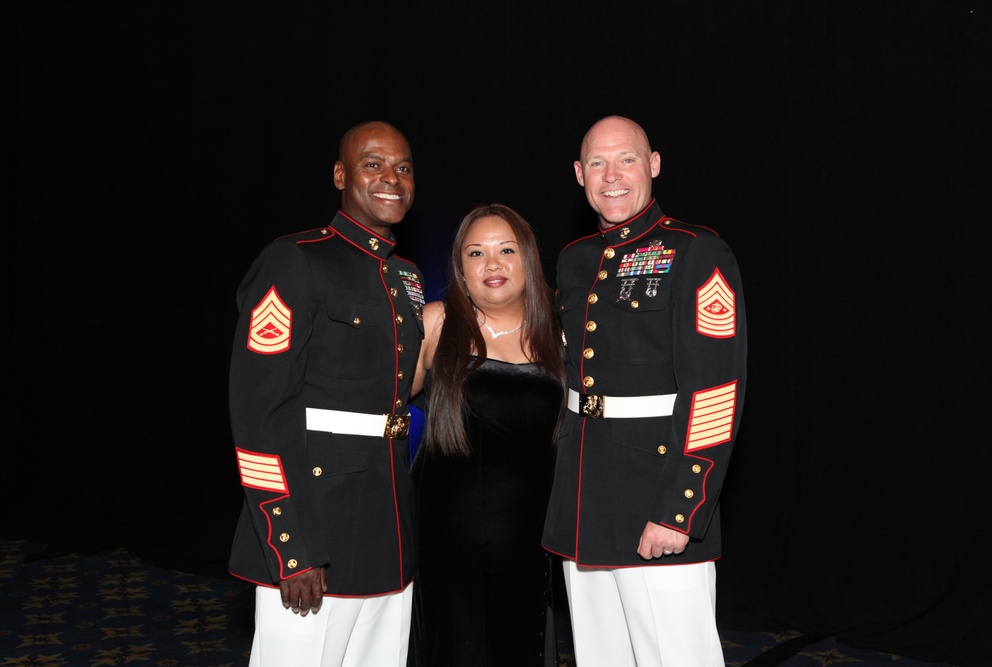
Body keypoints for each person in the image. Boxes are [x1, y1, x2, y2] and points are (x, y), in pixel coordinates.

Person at [541, 116, 748, 666]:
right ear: (580, 174)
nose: (613, 176)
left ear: (653, 164)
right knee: (598, 656)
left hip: (655, 495)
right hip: (584, 497)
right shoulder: (575, 258)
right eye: (598, 163)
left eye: (627, 159)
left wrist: (680, 508)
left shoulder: (697, 251)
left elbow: (714, 393)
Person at [227, 120, 425, 667]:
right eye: (373, 164)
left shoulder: (404, 275)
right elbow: (258, 416)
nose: (391, 178)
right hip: (315, 529)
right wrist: (289, 545)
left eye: (404, 168)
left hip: (388, 530)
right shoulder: (295, 260)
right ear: (340, 175)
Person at [408, 204, 566, 666]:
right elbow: (378, 410)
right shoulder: (435, 323)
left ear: (528, 260)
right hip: (444, 535)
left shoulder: (561, 330)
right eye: (476, 253)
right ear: (460, 267)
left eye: (505, 250)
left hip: (529, 535)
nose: (492, 264)